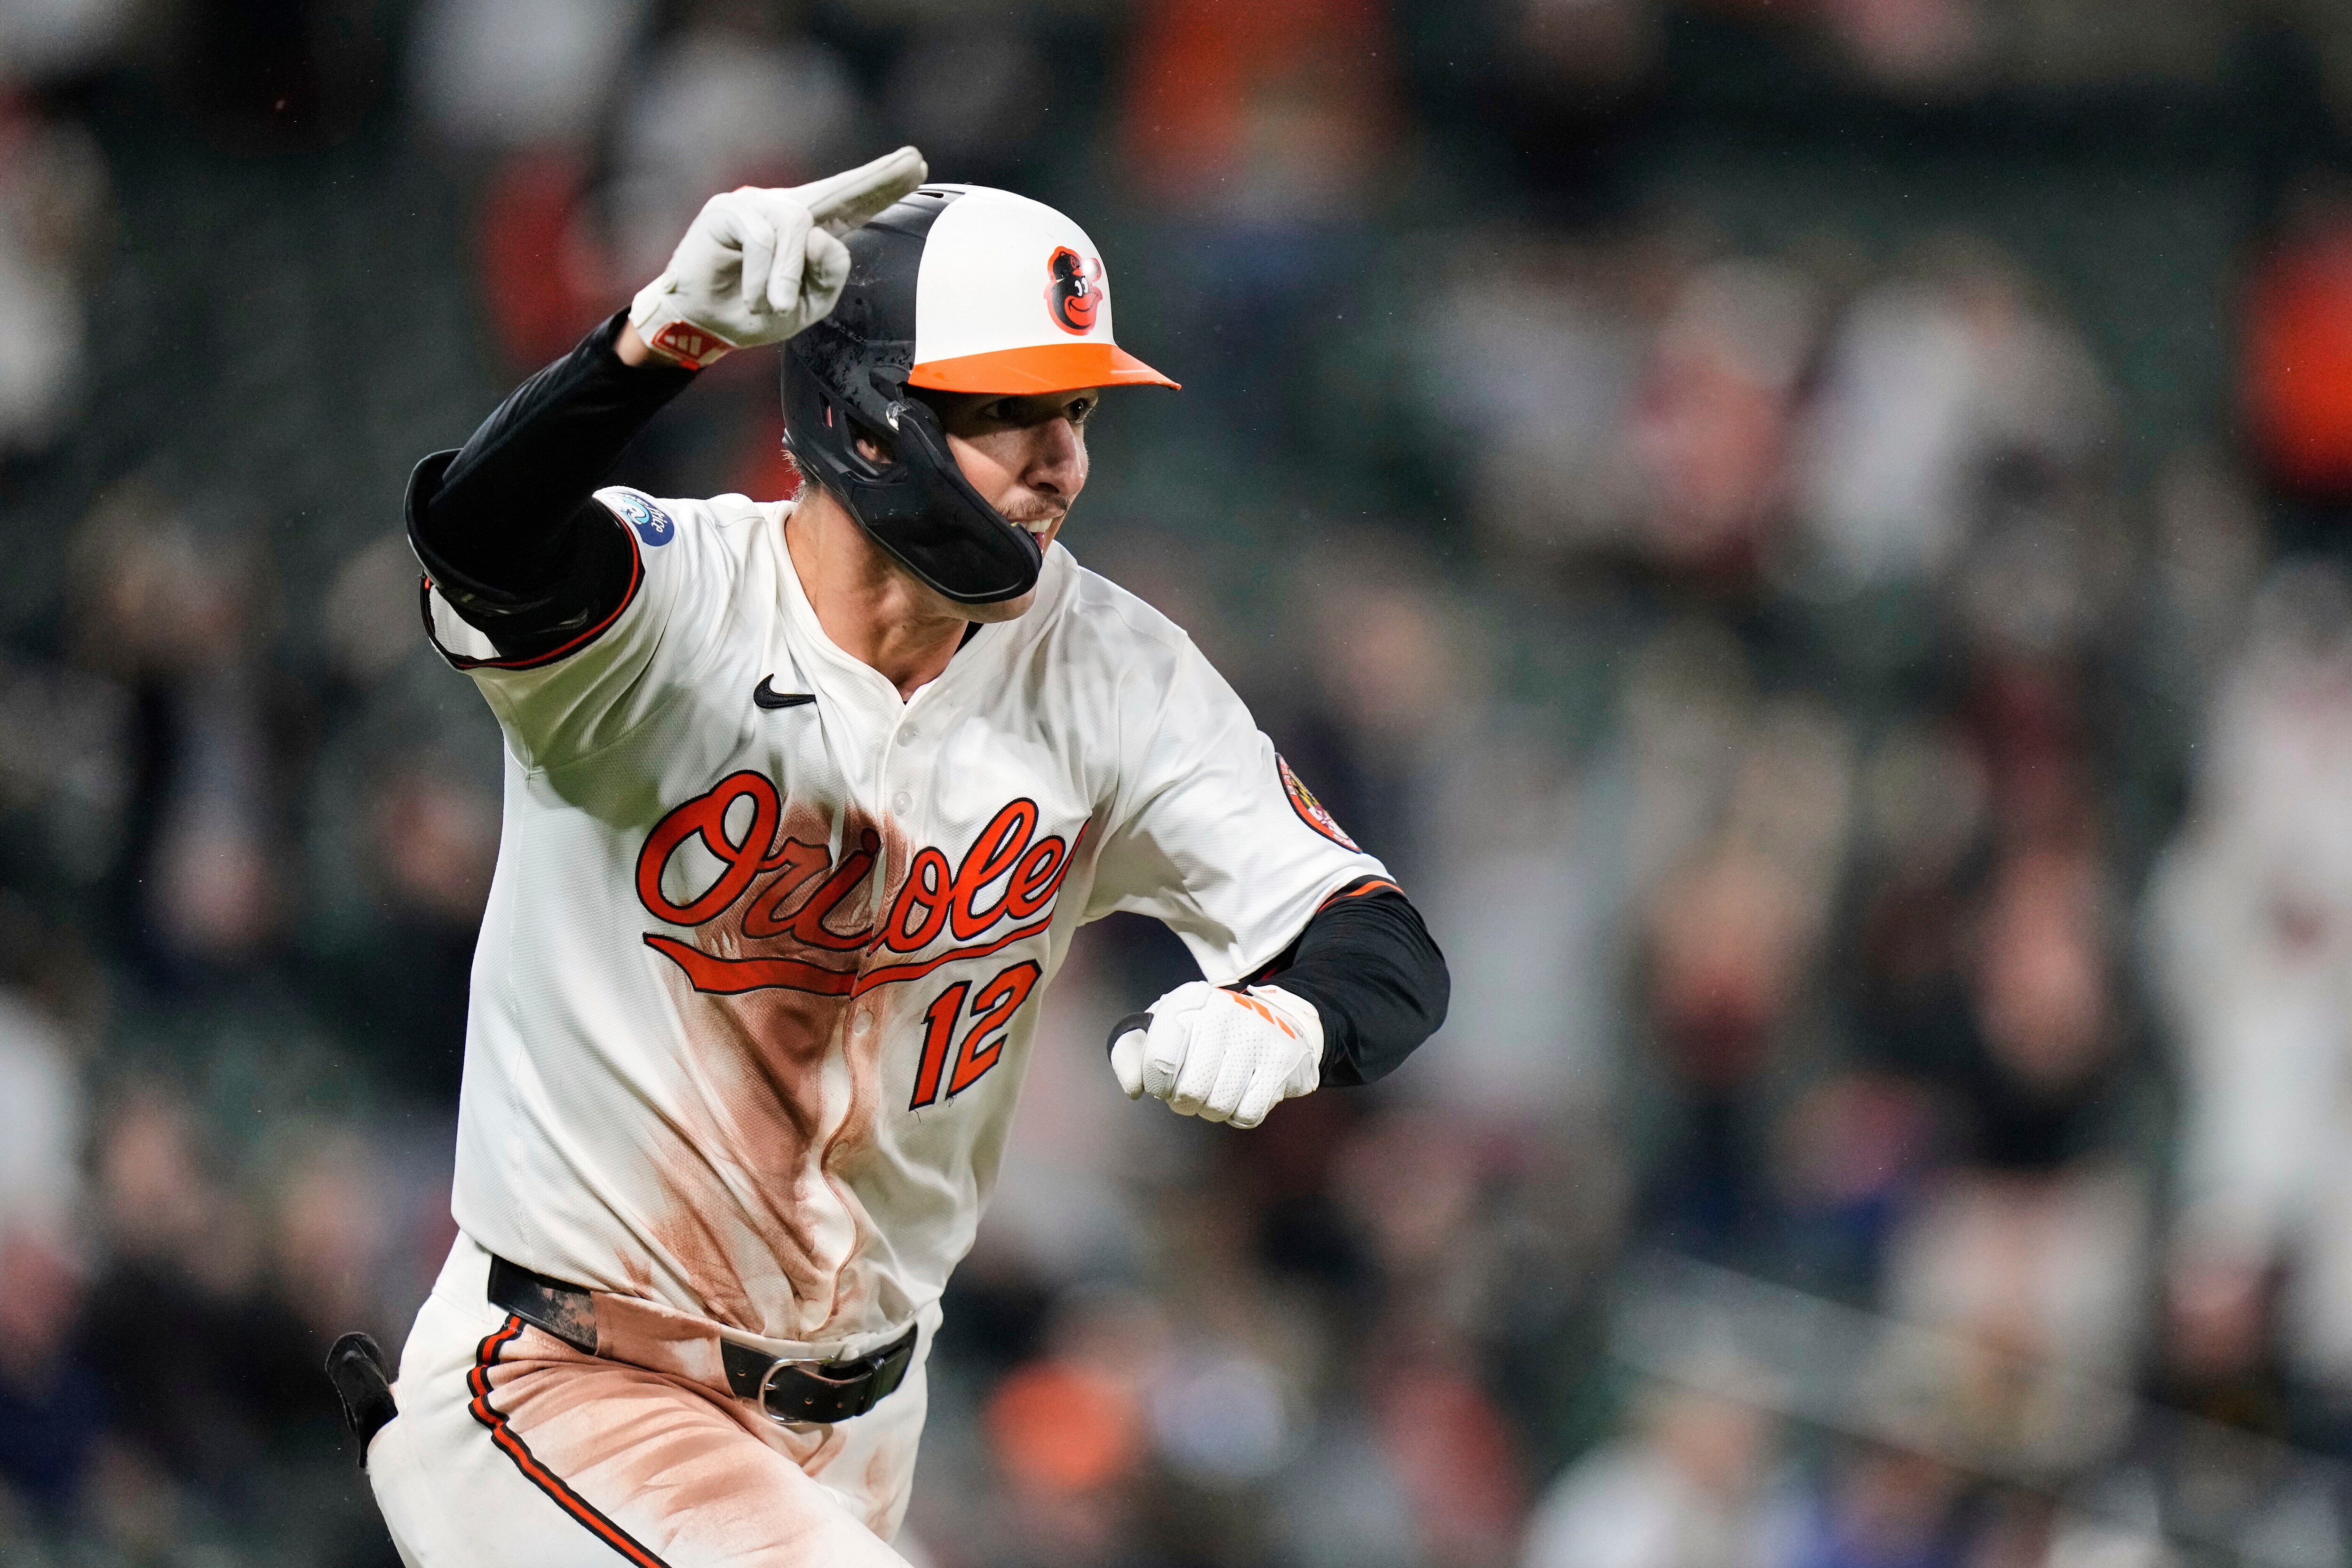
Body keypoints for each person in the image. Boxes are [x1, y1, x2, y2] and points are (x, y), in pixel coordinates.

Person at [343, 147, 1450, 1565]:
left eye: (1078, 414)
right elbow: (477, 539)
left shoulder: (1108, 670)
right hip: (574, 1378)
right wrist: (655, 342)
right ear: (871, 421)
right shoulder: (678, 598)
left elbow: (1375, 939)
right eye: (1014, 412)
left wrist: (1290, 1018)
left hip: (864, 1420)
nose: (1065, 464)